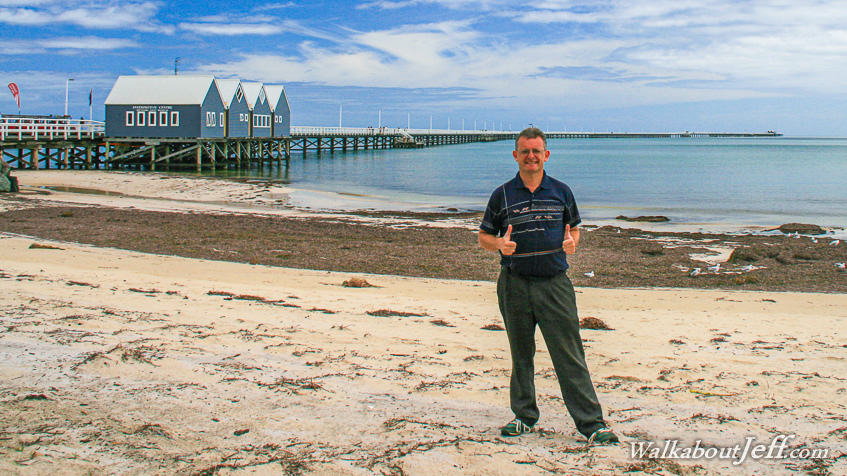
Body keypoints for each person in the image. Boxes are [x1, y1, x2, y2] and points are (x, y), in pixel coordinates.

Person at [478, 127, 618, 444]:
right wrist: (499, 244)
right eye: (525, 151)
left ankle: (591, 423)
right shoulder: (502, 195)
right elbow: (484, 237)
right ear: (515, 155)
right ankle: (524, 416)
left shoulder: (561, 192)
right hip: (514, 284)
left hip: (555, 285)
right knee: (521, 354)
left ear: (546, 155)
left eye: (536, 151)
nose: (531, 156)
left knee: (569, 354)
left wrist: (572, 242)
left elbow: (574, 229)